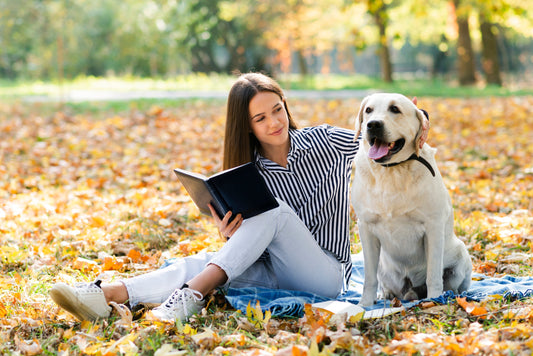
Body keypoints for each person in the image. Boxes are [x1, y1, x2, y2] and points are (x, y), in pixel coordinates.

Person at [50, 72, 429, 322]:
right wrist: (231, 235)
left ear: (285, 106)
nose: (274, 122)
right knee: (202, 260)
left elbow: (382, 143)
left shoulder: (326, 141)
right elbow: (259, 242)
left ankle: (190, 298)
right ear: (246, 127)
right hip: (274, 270)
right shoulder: (249, 173)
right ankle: (109, 295)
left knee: (275, 213)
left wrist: (416, 117)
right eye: (260, 119)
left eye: (277, 110)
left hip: (326, 274)